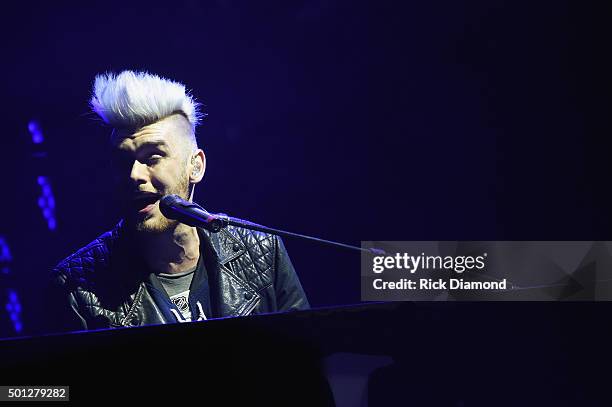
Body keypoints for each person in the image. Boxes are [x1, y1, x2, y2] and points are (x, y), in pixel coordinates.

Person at [45, 70, 309, 333]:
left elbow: (306, 364)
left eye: (152, 157)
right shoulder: (77, 285)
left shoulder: (263, 250)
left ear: (195, 166)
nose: (134, 175)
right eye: (122, 161)